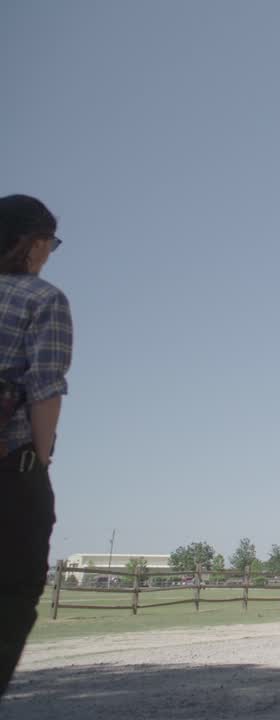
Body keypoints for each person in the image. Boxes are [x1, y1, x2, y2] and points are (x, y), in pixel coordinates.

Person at [0, 194, 72, 699]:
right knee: (14, 590)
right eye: (49, 243)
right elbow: (44, 390)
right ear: (31, 243)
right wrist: (39, 461)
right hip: (9, 467)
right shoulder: (41, 299)